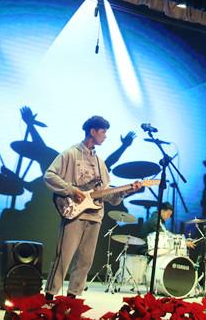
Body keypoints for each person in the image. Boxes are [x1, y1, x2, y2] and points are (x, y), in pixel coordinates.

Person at [44, 116, 142, 298]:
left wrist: (128, 191)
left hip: (95, 216)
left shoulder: (100, 163)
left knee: (85, 260)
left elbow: (108, 195)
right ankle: (50, 296)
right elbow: (49, 175)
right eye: (103, 132)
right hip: (75, 214)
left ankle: (72, 298)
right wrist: (71, 189)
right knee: (63, 257)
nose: (105, 136)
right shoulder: (71, 153)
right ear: (92, 131)